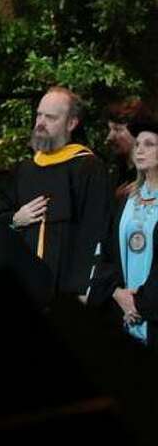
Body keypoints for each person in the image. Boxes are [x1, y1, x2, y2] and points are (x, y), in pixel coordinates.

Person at [0, 87, 110, 299]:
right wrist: (16, 219)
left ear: (71, 123)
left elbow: (95, 232)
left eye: (50, 117)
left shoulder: (87, 168)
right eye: (39, 115)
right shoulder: (23, 170)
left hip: (67, 292)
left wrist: (84, 286)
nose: (40, 123)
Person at [90, 115, 158, 349]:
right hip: (121, 313)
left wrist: (139, 304)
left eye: (149, 145)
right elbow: (105, 250)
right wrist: (118, 294)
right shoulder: (125, 200)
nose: (140, 150)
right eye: (137, 144)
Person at [105, 99, 150, 200]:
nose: (109, 137)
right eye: (110, 129)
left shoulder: (151, 172)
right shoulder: (115, 169)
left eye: (117, 129)